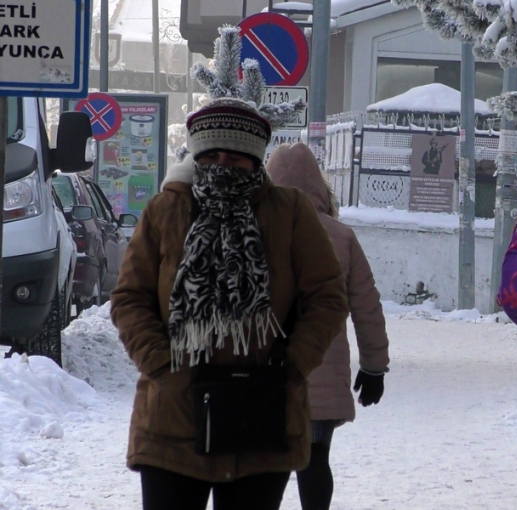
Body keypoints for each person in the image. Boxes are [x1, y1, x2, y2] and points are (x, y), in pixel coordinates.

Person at [110, 98, 349, 510]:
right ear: (197, 155)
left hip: (261, 414)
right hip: (174, 415)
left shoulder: (290, 213)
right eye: (212, 153)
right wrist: (160, 364)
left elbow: (327, 296)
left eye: (237, 155)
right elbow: (131, 296)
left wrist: (293, 366)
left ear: (255, 160)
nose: (224, 163)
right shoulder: (166, 210)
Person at [266, 143, 390, 510]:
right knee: (314, 458)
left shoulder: (257, 226)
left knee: (266, 465)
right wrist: (374, 366)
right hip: (320, 368)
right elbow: (367, 306)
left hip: (265, 372)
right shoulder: (341, 236)